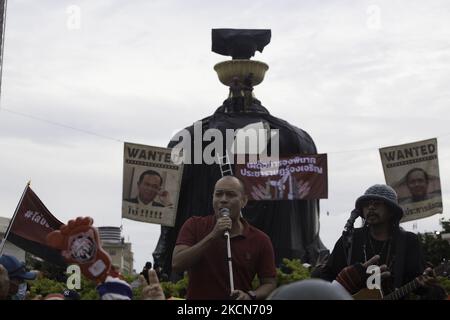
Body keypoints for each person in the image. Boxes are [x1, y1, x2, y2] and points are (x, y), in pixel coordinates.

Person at [319, 184, 446, 299]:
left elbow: (417, 282)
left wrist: (427, 285)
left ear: (391, 211)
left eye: (377, 203)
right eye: (367, 204)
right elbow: (324, 277)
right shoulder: (350, 239)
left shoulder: (408, 241)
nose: (371, 207)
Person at [172, 176, 277, 300]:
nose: (223, 200)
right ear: (213, 198)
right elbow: (177, 263)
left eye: (231, 195)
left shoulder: (260, 240)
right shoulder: (194, 225)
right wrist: (212, 236)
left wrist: (250, 296)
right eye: (218, 194)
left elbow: (269, 284)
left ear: (244, 201)